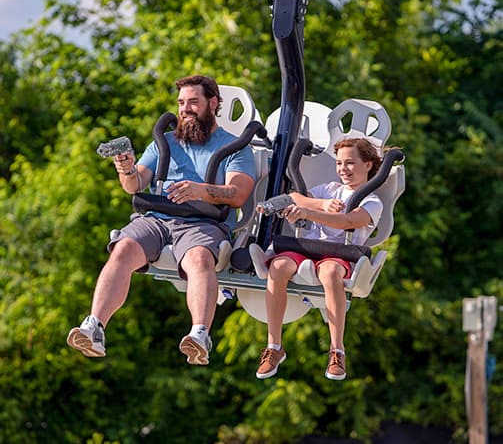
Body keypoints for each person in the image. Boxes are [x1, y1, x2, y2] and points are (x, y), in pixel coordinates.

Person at [67, 75, 256, 365]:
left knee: (198, 259)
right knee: (123, 248)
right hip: (158, 217)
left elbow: (238, 193)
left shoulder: (235, 147)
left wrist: (201, 191)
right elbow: (135, 184)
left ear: (213, 103)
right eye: (181, 103)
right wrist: (127, 169)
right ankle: (94, 326)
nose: (186, 109)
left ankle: (199, 333)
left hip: (203, 222)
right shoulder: (165, 142)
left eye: (193, 102)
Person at [255, 138, 383, 380]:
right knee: (279, 266)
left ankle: (337, 350)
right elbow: (295, 197)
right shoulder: (331, 190)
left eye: (350, 163)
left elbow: (348, 222)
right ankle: (274, 346)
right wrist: (320, 205)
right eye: (339, 163)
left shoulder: (372, 201)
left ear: (367, 165)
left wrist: (310, 212)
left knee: (330, 273)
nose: (344, 169)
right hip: (308, 247)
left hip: (338, 254)